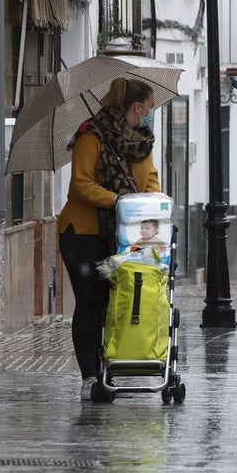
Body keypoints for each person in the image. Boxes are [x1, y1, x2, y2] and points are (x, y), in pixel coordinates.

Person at [57, 77, 160, 401]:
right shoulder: (92, 136)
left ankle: (107, 368)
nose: (149, 115)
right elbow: (81, 185)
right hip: (83, 233)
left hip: (124, 235)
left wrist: (150, 202)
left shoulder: (141, 143)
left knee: (114, 303)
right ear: (137, 106)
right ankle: (90, 377)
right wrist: (119, 200)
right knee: (90, 302)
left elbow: (152, 181)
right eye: (148, 108)